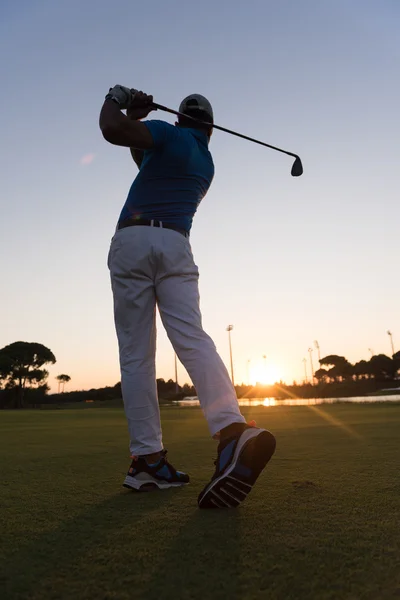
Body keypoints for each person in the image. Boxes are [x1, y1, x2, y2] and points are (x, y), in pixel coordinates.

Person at [99, 85, 276, 508]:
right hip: (177, 246)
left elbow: (111, 129)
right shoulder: (205, 161)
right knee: (193, 338)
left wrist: (117, 97)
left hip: (134, 240)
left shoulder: (169, 133)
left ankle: (147, 459)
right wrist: (140, 122)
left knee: (137, 355)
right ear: (210, 129)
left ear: (178, 119)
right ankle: (231, 429)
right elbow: (143, 156)